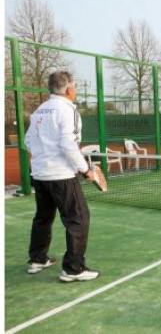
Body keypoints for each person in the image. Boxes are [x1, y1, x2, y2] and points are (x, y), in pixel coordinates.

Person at [25, 71, 100, 282]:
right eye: (74, 87)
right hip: (61, 176)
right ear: (68, 90)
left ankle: (37, 259)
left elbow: (28, 142)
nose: (75, 91)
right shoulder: (68, 110)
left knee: (43, 217)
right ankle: (73, 269)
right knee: (78, 218)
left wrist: (44, 159)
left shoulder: (39, 110)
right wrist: (86, 170)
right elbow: (68, 144)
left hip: (39, 175)